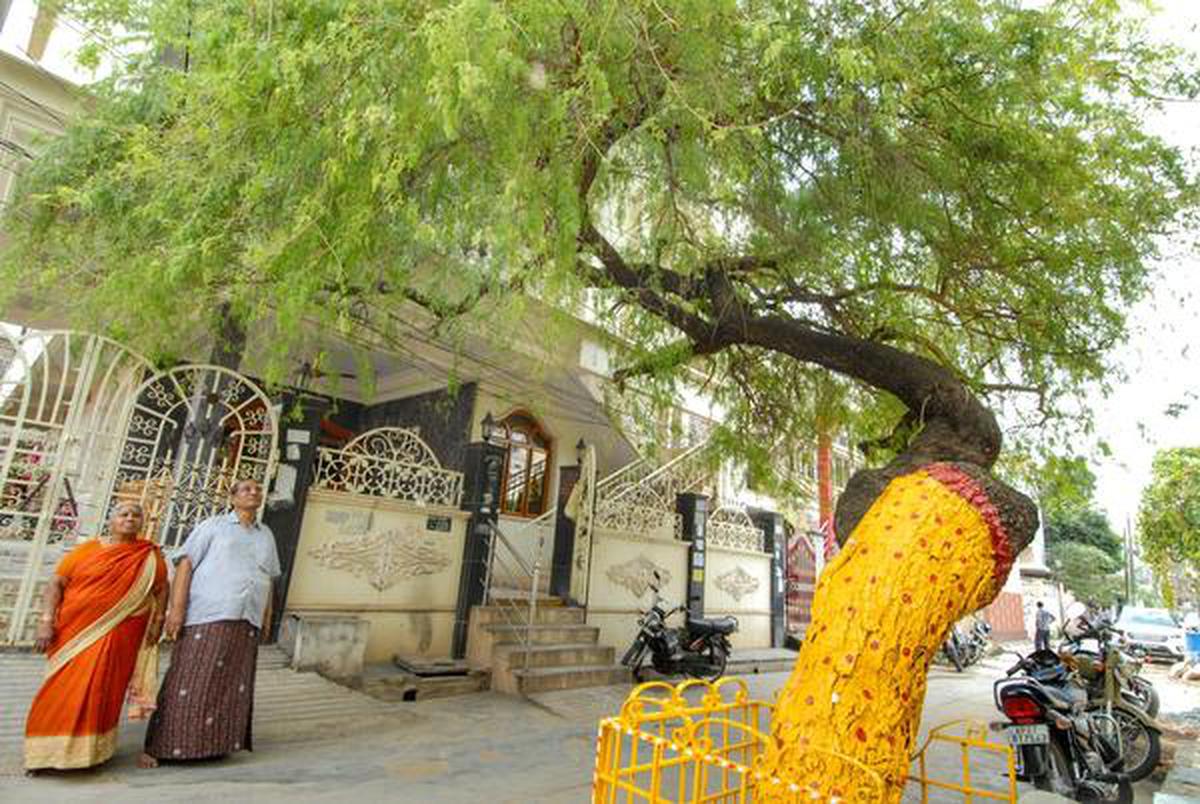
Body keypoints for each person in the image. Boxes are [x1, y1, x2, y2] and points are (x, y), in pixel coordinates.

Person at [140, 478, 280, 767]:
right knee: (189, 678)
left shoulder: (266, 534)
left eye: (257, 489)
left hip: (247, 617)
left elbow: (270, 578)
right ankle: (161, 746)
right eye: (246, 489)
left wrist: (266, 617)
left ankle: (216, 743)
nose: (253, 492)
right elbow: (185, 564)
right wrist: (176, 610)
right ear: (232, 497)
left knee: (231, 682)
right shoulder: (212, 527)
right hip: (208, 613)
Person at [24, 502, 168, 772]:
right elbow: (56, 583)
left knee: (104, 689)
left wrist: (158, 621)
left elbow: (161, 589)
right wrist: (45, 622)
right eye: (123, 514)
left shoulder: (148, 556)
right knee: (61, 688)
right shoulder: (87, 550)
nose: (130, 519)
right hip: (73, 632)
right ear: (110, 520)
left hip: (121, 634)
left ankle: (90, 753)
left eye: (136, 516)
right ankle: (42, 754)